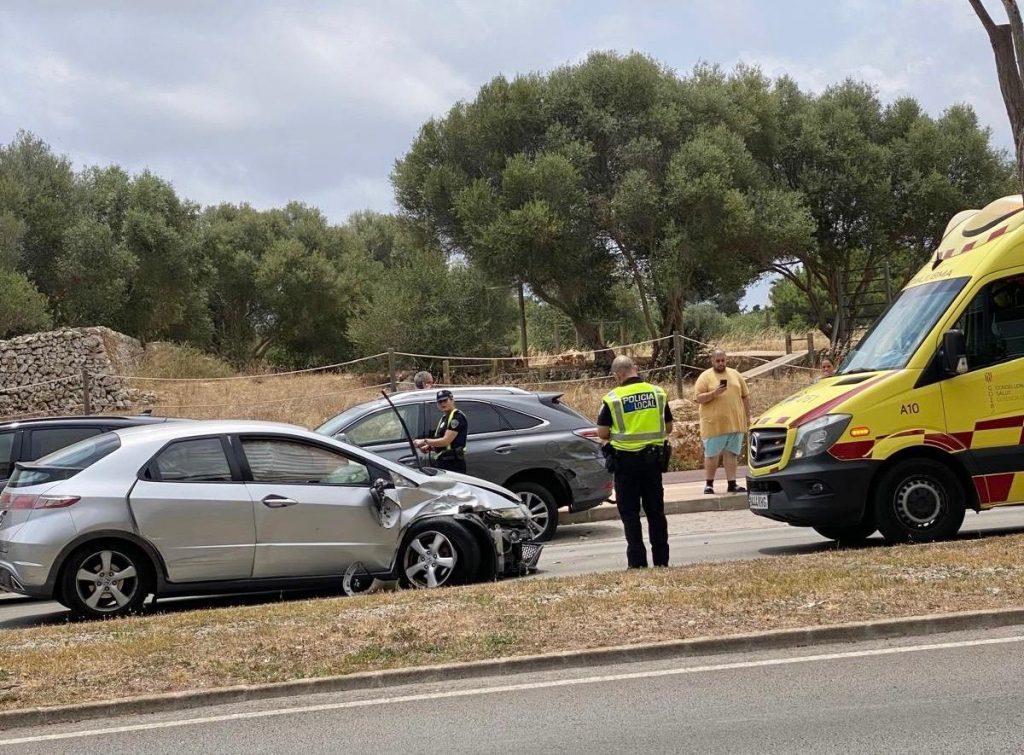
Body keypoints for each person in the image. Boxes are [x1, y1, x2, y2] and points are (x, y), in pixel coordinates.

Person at [596, 355, 673, 569]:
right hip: (652, 463)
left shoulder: (613, 398)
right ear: (635, 369)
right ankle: (661, 561)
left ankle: (637, 562)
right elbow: (668, 427)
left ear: (617, 374)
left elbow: (602, 432)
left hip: (626, 464)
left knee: (630, 514)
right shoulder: (658, 393)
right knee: (656, 512)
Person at [694, 349, 750, 495]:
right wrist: (714, 393)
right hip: (714, 424)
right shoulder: (705, 377)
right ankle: (709, 484)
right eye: (717, 361)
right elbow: (698, 398)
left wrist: (746, 417)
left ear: (726, 360)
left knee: (731, 454)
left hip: (735, 423)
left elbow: (745, 396)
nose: (720, 363)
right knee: (712, 455)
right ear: (712, 361)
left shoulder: (735, 374)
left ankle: (732, 483)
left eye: (723, 360)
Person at [414, 389, 468, 472]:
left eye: (445, 400)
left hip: (453, 463)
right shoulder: (444, 418)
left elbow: (445, 441)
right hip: (444, 462)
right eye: (440, 402)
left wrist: (424, 441)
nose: (442, 404)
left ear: (452, 400)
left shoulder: (457, 418)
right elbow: (443, 443)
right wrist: (430, 447)